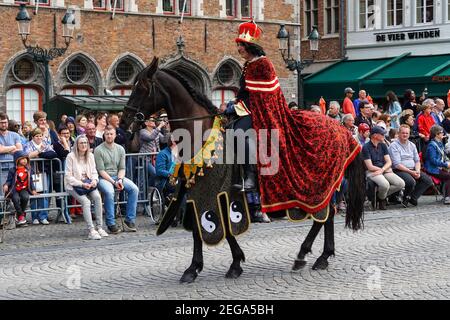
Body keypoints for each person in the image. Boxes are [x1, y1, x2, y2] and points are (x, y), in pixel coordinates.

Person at [220, 20, 361, 216]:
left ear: (249, 45)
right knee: (229, 129)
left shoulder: (263, 64)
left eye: (241, 45)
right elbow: (246, 93)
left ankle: (251, 175)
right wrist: (232, 105)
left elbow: (266, 95)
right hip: (250, 107)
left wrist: (240, 106)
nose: (239, 49)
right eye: (238, 45)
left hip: (266, 111)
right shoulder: (247, 66)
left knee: (240, 132)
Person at [94, 125, 139, 233]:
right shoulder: (98, 150)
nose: (109, 136)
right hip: (103, 178)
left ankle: (129, 219)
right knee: (109, 192)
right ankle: (111, 223)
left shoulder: (120, 149)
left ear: (115, 135)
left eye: (111, 134)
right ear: (104, 135)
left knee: (134, 189)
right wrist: (113, 182)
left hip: (118, 176)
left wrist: (119, 179)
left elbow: (122, 168)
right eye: (107, 134)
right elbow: (101, 170)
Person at [65, 135, 108, 240]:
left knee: (97, 197)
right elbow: (68, 176)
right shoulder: (71, 157)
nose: (84, 145)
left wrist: (94, 181)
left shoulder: (91, 156)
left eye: (85, 143)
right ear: (77, 145)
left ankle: (100, 227)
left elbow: (94, 172)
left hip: (89, 184)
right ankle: (91, 230)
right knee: (86, 202)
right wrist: (81, 184)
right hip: (74, 185)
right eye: (81, 143)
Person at [362, 126, 405, 210]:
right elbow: (369, 166)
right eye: (382, 134)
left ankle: (379, 197)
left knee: (400, 183)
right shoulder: (366, 147)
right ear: (375, 135)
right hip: (372, 171)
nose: (384, 136)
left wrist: (383, 170)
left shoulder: (383, 145)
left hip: (383, 169)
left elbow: (389, 161)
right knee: (385, 185)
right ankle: (382, 200)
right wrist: (382, 169)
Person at [389, 125, 433, 207]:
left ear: (409, 134)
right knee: (410, 181)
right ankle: (404, 197)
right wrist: (411, 172)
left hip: (413, 169)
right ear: (398, 133)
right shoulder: (394, 146)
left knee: (428, 180)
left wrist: (417, 171)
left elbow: (417, 160)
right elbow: (397, 164)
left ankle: (412, 197)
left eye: (407, 133)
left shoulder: (412, 145)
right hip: (399, 170)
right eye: (403, 133)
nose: (405, 135)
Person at [23, 128, 58, 225]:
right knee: (35, 194)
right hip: (32, 172)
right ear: (33, 137)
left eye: (40, 136)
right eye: (36, 136)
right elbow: (27, 155)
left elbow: (53, 154)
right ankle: (35, 217)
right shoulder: (28, 144)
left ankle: (43, 216)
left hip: (44, 172)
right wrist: (39, 151)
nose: (39, 138)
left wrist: (41, 154)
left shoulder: (45, 143)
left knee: (44, 194)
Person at [2, 151, 37, 226]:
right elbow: (9, 180)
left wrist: (33, 190)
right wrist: (6, 185)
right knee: (15, 198)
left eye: (26, 159)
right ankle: (21, 216)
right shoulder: (12, 170)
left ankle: (20, 215)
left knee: (25, 197)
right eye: (22, 159)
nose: (25, 160)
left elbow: (30, 180)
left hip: (24, 189)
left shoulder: (28, 169)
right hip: (14, 189)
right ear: (17, 160)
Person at [424, 125, 450, 204]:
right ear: (437, 134)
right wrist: (445, 165)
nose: (443, 134)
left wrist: (447, 162)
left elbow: (444, 156)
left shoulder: (439, 143)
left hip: (439, 167)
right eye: (441, 132)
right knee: (449, 176)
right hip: (432, 169)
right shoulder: (432, 145)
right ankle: (447, 197)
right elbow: (433, 161)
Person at [140, 115, 168, 187]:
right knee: (154, 173)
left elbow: (164, 140)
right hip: (145, 158)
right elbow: (150, 137)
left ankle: (151, 190)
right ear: (146, 123)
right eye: (152, 120)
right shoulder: (142, 131)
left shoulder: (156, 131)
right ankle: (148, 189)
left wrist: (166, 129)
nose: (154, 122)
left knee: (159, 174)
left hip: (156, 157)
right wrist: (159, 126)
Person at [0, 112, 22, 196]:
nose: (4, 124)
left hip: (14, 168)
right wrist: (13, 147)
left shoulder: (15, 135)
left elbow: (19, 150)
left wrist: (5, 148)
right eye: (1, 122)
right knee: (2, 194)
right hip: (1, 170)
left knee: (15, 194)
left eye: (5, 122)